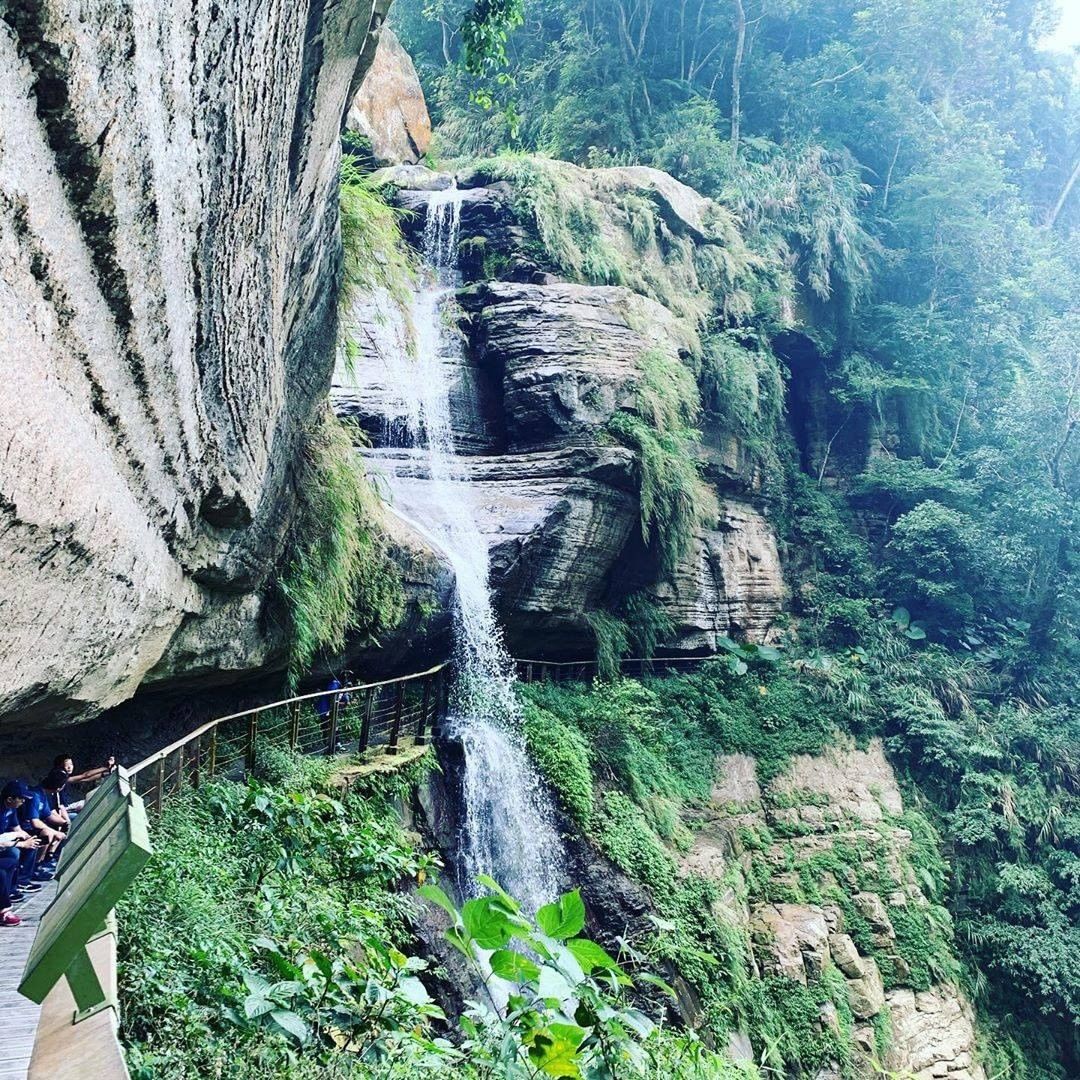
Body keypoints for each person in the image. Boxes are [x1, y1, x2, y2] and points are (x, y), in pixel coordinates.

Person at [1, 781, 44, 893]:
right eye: (20, 798)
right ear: (10, 799)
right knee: (14, 853)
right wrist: (22, 844)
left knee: (32, 845)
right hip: (3, 841)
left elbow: (17, 828)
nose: (23, 801)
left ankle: (23, 882)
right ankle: (9, 890)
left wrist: (29, 839)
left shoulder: (11, 809)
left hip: (7, 839)